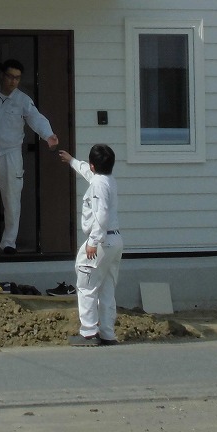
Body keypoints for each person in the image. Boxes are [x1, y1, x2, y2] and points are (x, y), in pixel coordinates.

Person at [0, 59, 58, 255]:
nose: (13, 81)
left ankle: (9, 242)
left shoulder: (23, 100)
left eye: (17, 78)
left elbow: (37, 119)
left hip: (11, 154)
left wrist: (49, 135)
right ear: (2, 76)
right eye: (10, 77)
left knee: (11, 199)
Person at [58, 143, 123, 346]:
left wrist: (93, 241)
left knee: (86, 285)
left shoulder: (98, 186)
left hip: (101, 241)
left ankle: (88, 333)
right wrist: (72, 161)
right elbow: (88, 173)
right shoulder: (107, 180)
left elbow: (101, 214)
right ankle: (107, 334)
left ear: (93, 165)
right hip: (115, 240)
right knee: (106, 289)